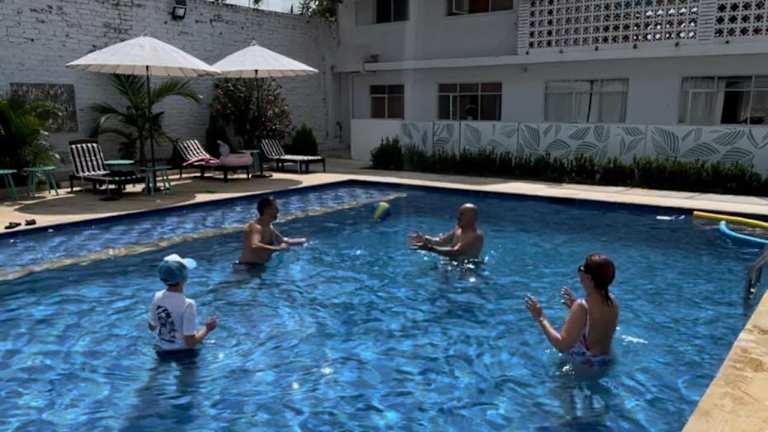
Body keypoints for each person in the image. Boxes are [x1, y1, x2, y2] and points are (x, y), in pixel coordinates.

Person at [525, 254, 619, 369]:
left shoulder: (582, 306)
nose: (581, 269)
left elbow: (561, 346)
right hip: (607, 362)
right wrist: (577, 310)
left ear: (589, 278)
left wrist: (540, 317)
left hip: (585, 367)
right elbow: (597, 327)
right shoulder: (613, 301)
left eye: (584, 268)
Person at [148, 254, 217, 353]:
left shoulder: (157, 296)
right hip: (184, 353)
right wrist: (207, 328)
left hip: (161, 350)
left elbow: (152, 327)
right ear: (185, 277)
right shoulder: (188, 304)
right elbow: (190, 342)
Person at [238, 196, 306, 265]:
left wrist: (304, 241)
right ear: (267, 209)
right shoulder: (255, 226)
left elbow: (283, 240)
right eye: (275, 208)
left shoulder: (269, 226)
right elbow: (255, 245)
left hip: (259, 266)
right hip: (247, 267)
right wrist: (278, 248)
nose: (278, 211)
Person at [408, 203, 484, 259]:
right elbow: (441, 241)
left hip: (467, 269)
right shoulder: (458, 229)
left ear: (472, 218)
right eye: (459, 214)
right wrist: (425, 238)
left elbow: (456, 252)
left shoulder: (476, 236)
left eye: (462, 214)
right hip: (453, 264)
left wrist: (430, 248)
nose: (458, 217)